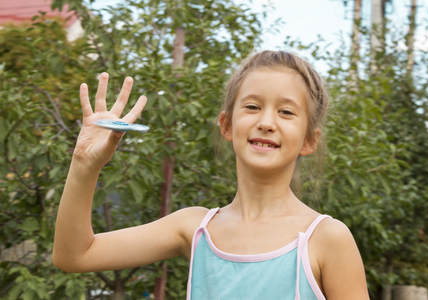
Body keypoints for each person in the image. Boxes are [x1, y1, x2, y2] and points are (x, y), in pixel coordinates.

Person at [53, 50, 370, 299]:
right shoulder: (194, 228)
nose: (267, 122)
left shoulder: (327, 239)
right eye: (252, 106)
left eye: (286, 111)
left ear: (309, 141)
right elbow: (75, 255)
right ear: (227, 126)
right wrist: (84, 165)